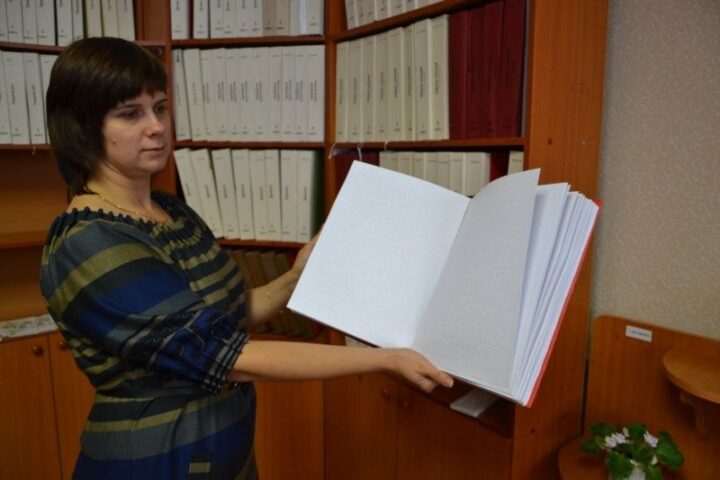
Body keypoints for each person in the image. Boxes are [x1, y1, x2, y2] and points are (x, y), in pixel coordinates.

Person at [40, 37, 453, 480]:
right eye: (130, 114)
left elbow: (231, 315)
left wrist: (297, 276)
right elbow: (229, 357)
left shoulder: (172, 211)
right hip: (154, 462)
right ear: (83, 127)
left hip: (224, 451)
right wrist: (385, 358)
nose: (156, 126)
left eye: (159, 107)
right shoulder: (87, 243)